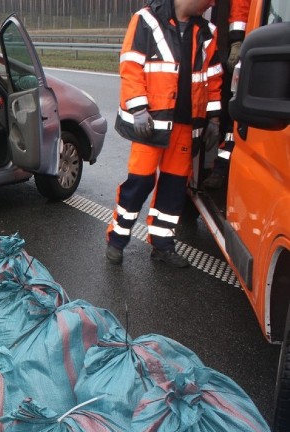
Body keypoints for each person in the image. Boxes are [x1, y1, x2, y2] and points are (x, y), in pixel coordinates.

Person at [106, 0, 223, 268]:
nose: (212, 3)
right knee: (139, 183)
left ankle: (162, 245)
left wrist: (214, 118)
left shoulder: (208, 32)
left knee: (173, 189)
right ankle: (116, 240)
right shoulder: (145, 20)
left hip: (185, 126)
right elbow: (131, 66)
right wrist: (138, 109)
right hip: (151, 123)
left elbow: (214, 77)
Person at [202, 0, 252, 193]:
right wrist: (237, 39)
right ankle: (219, 169)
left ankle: (221, 169)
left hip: (249, 45)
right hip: (240, 47)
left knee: (234, 118)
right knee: (229, 114)